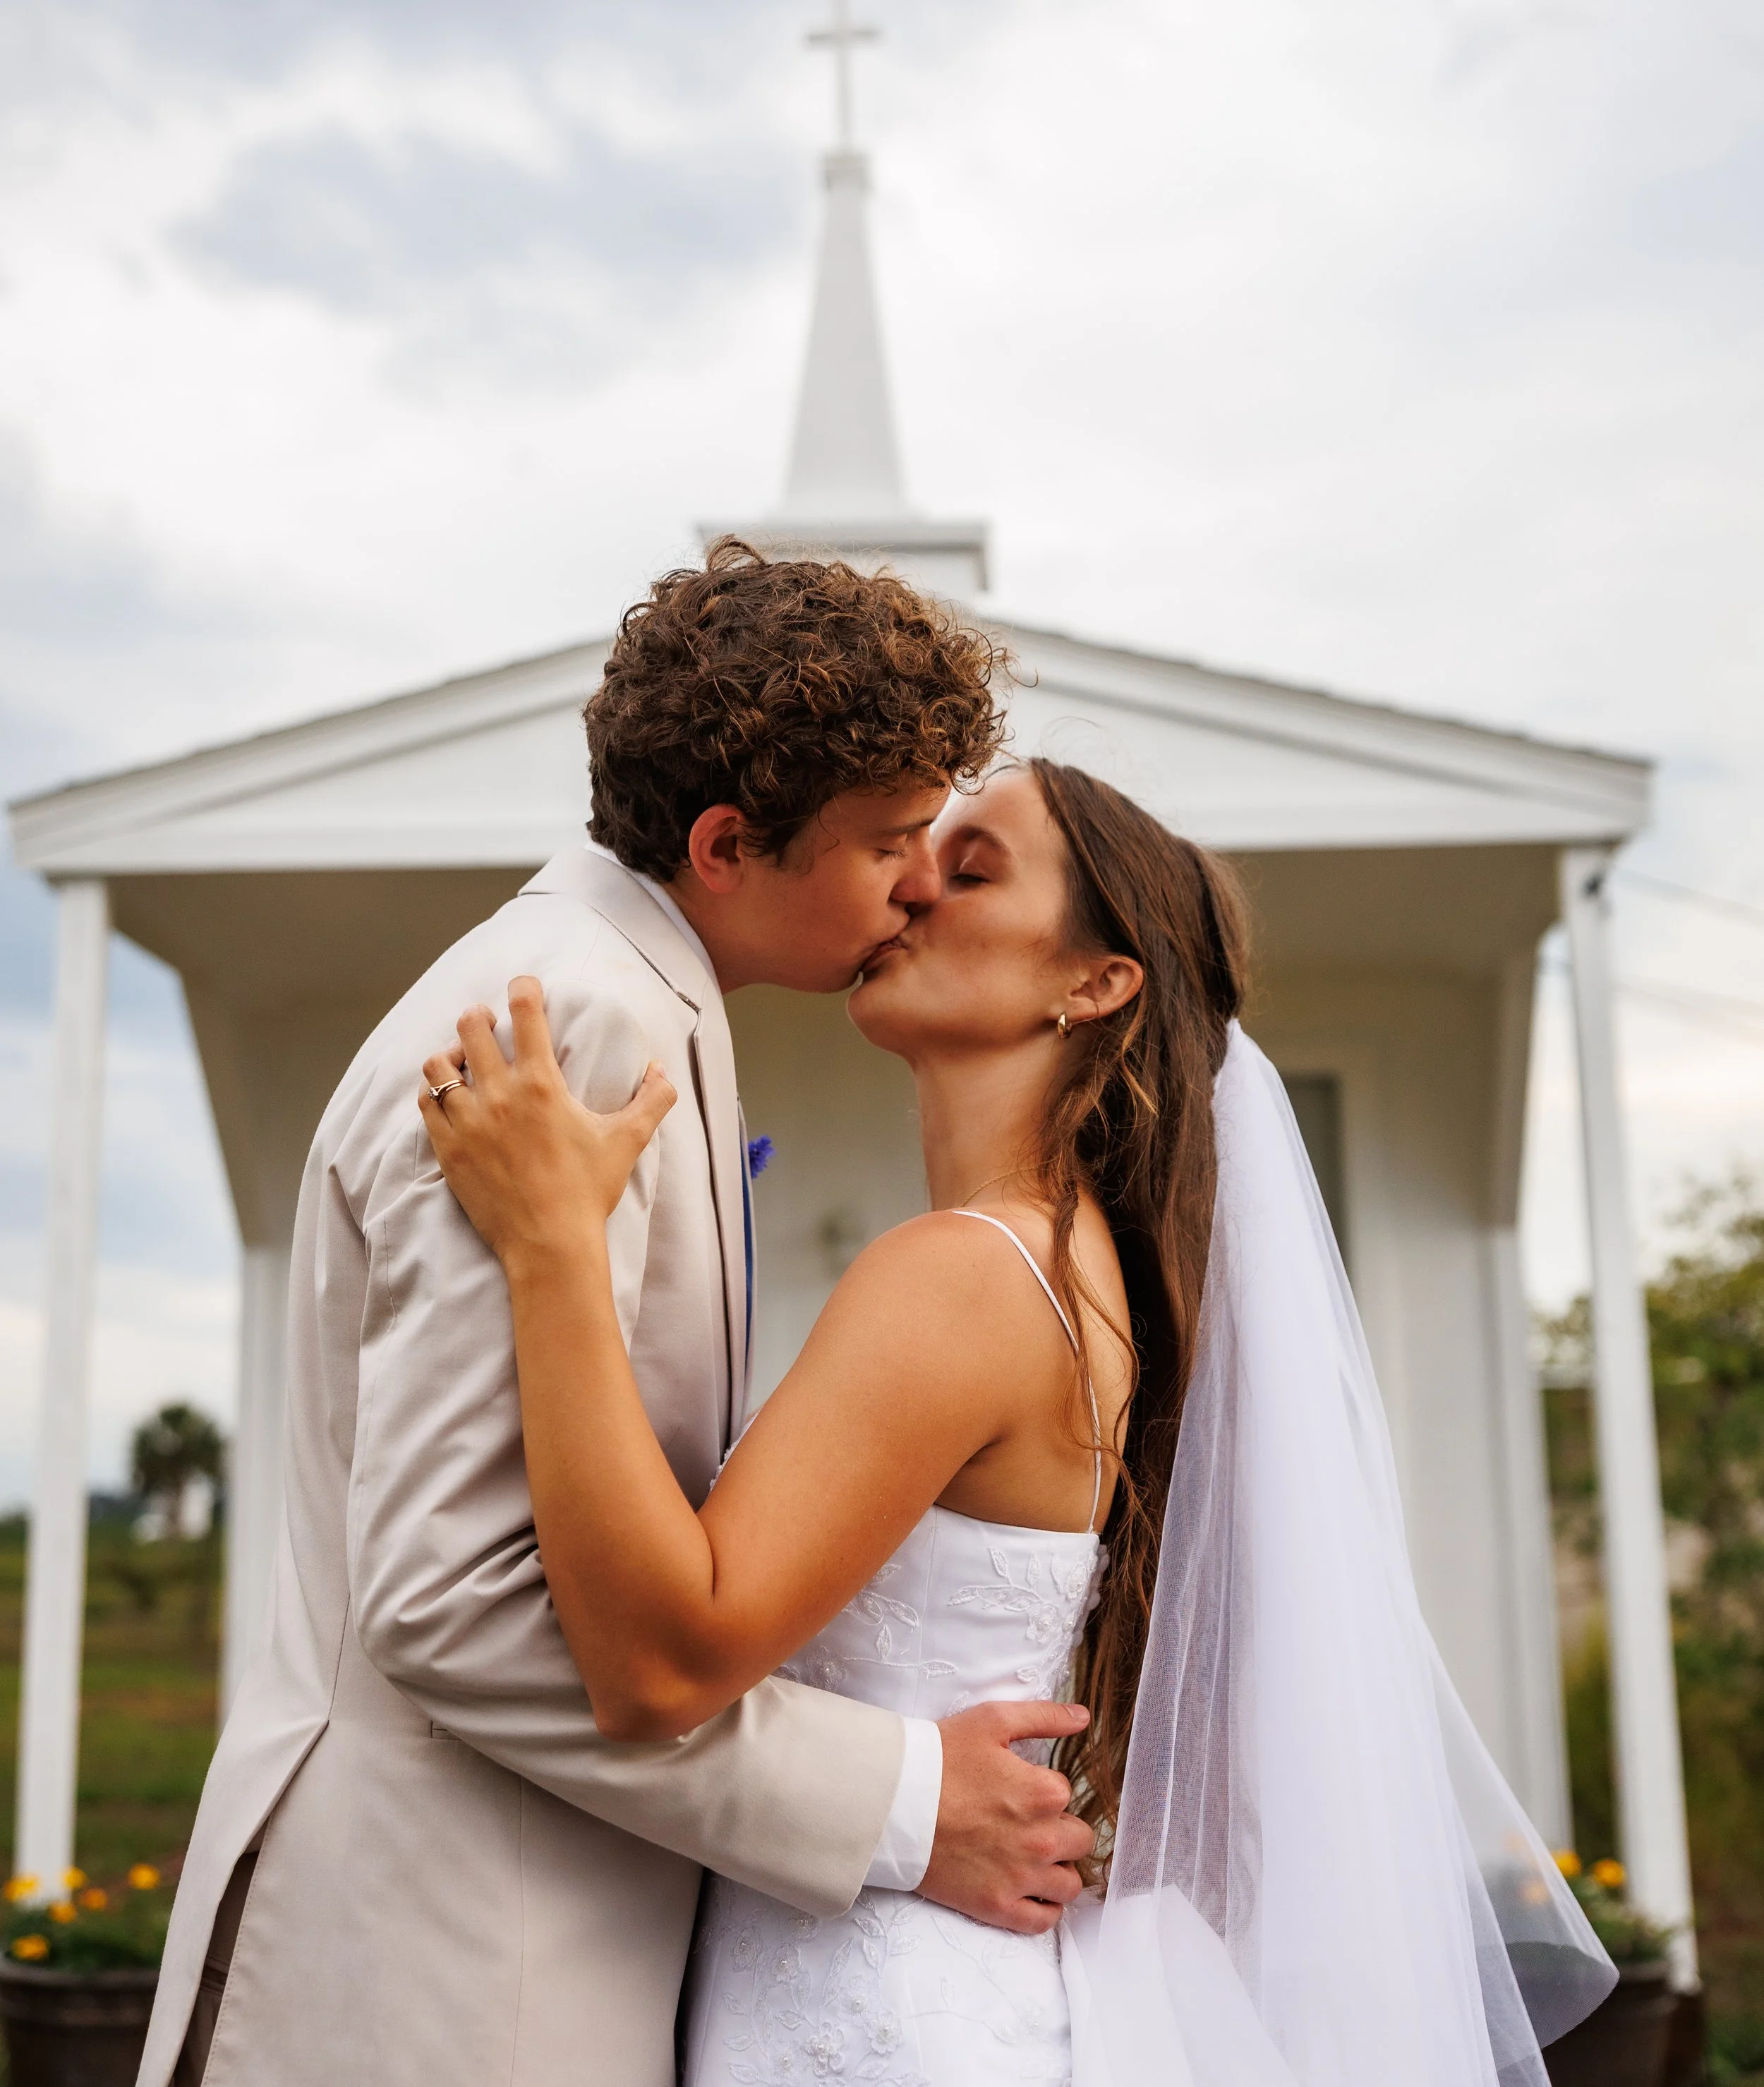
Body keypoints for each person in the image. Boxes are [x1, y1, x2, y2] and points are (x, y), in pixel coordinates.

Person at [426, 755, 1621, 2087]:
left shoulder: (967, 1273)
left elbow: (661, 1661)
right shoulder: (1073, 1274)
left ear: (1096, 981)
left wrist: (550, 1249)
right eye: (915, 845)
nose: (912, 882)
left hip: (871, 2016)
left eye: (976, 864)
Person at [140, 545, 1094, 2087]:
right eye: (890, 842)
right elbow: (451, 1605)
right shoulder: (577, 1019)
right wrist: (900, 1805)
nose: (920, 883)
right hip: (454, 1972)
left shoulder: (627, 992)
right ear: (727, 844)